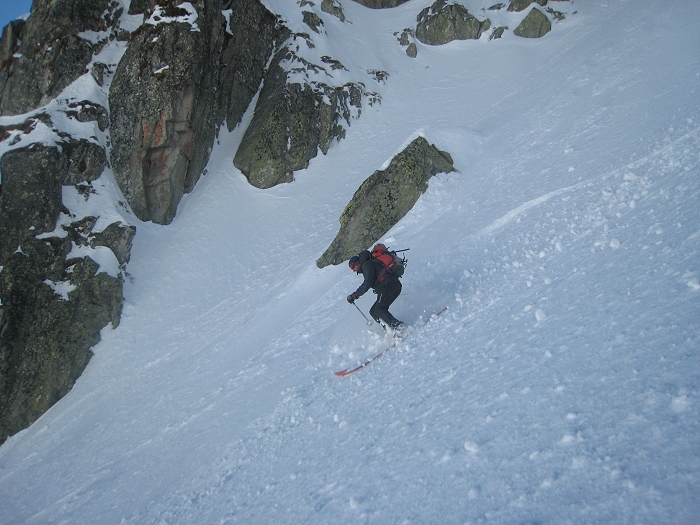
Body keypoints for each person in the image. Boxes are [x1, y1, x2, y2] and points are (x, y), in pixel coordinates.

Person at [347, 249, 404, 330]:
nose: (353, 270)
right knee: (373, 312)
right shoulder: (367, 266)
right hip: (391, 285)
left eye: (353, 267)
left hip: (389, 285)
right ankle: (389, 330)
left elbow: (367, 283)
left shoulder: (367, 266)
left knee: (379, 309)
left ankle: (399, 327)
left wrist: (355, 295)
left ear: (358, 263)